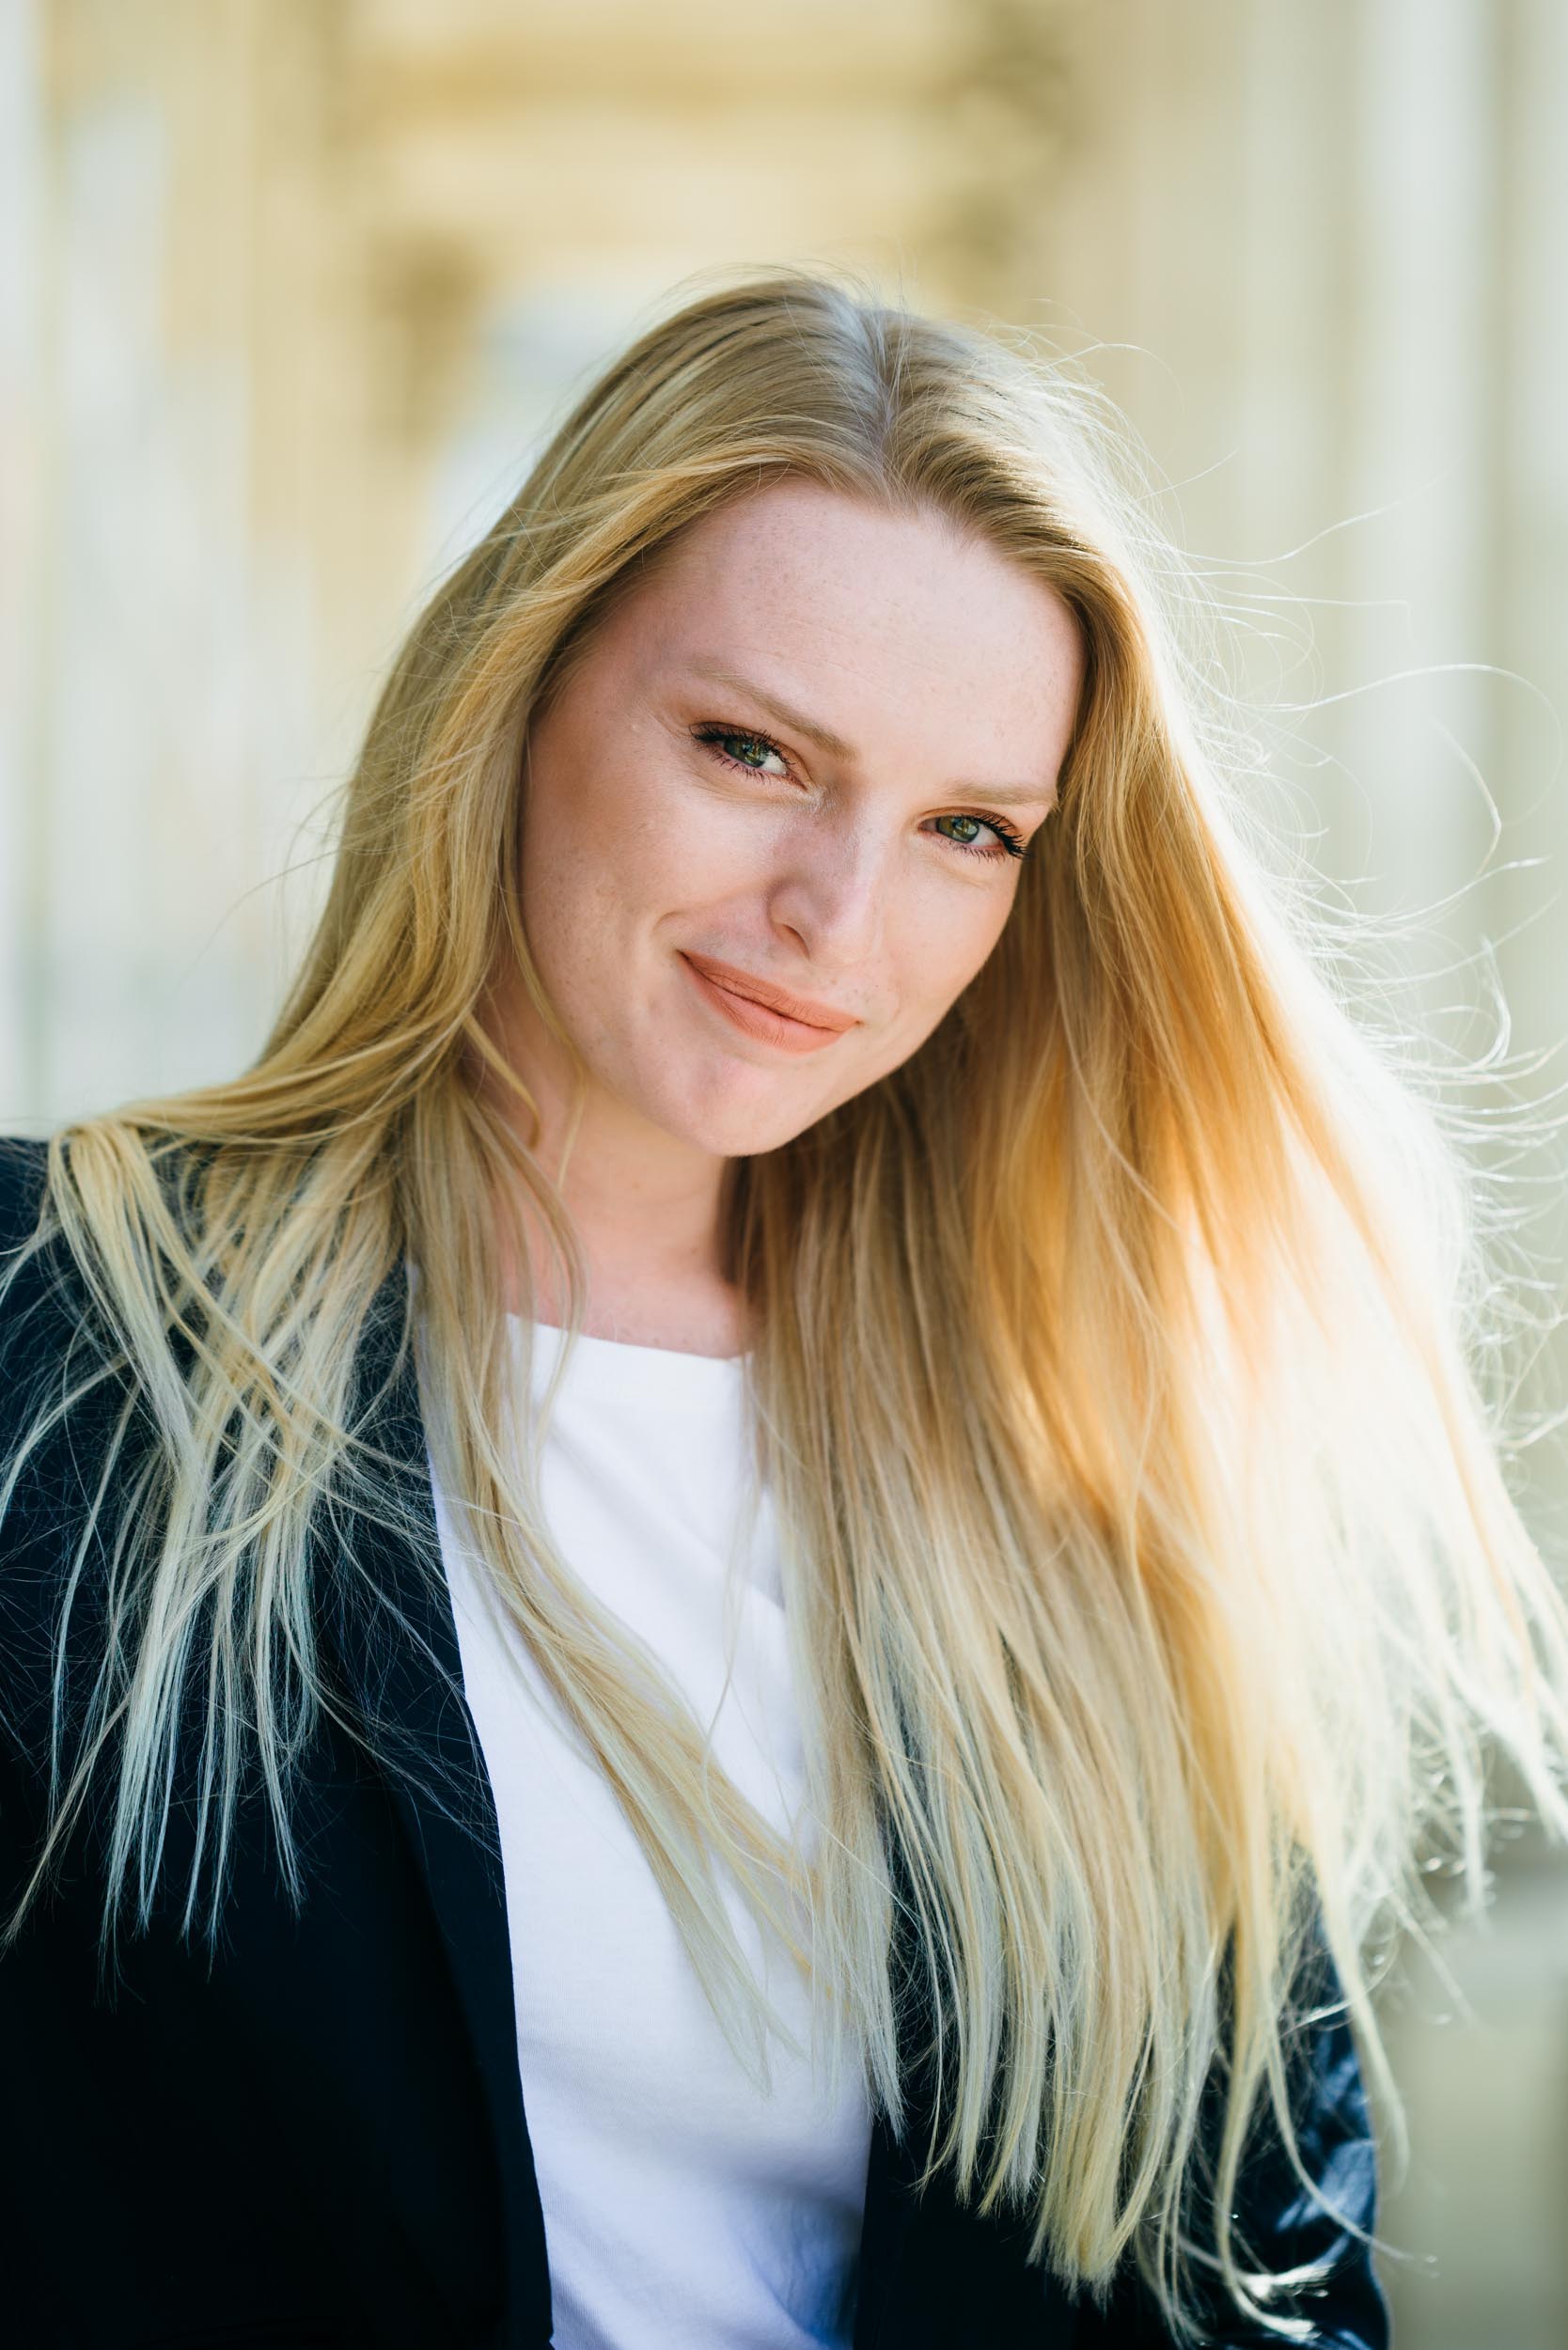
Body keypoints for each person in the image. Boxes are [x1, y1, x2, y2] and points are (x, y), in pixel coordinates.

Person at [2, 266, 1565, 2350]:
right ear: (519, 688)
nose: (837, 917)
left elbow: (1267, 2261)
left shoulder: (1068, 1480)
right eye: (751, 748)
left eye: (965, 829)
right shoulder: (59, 1326)